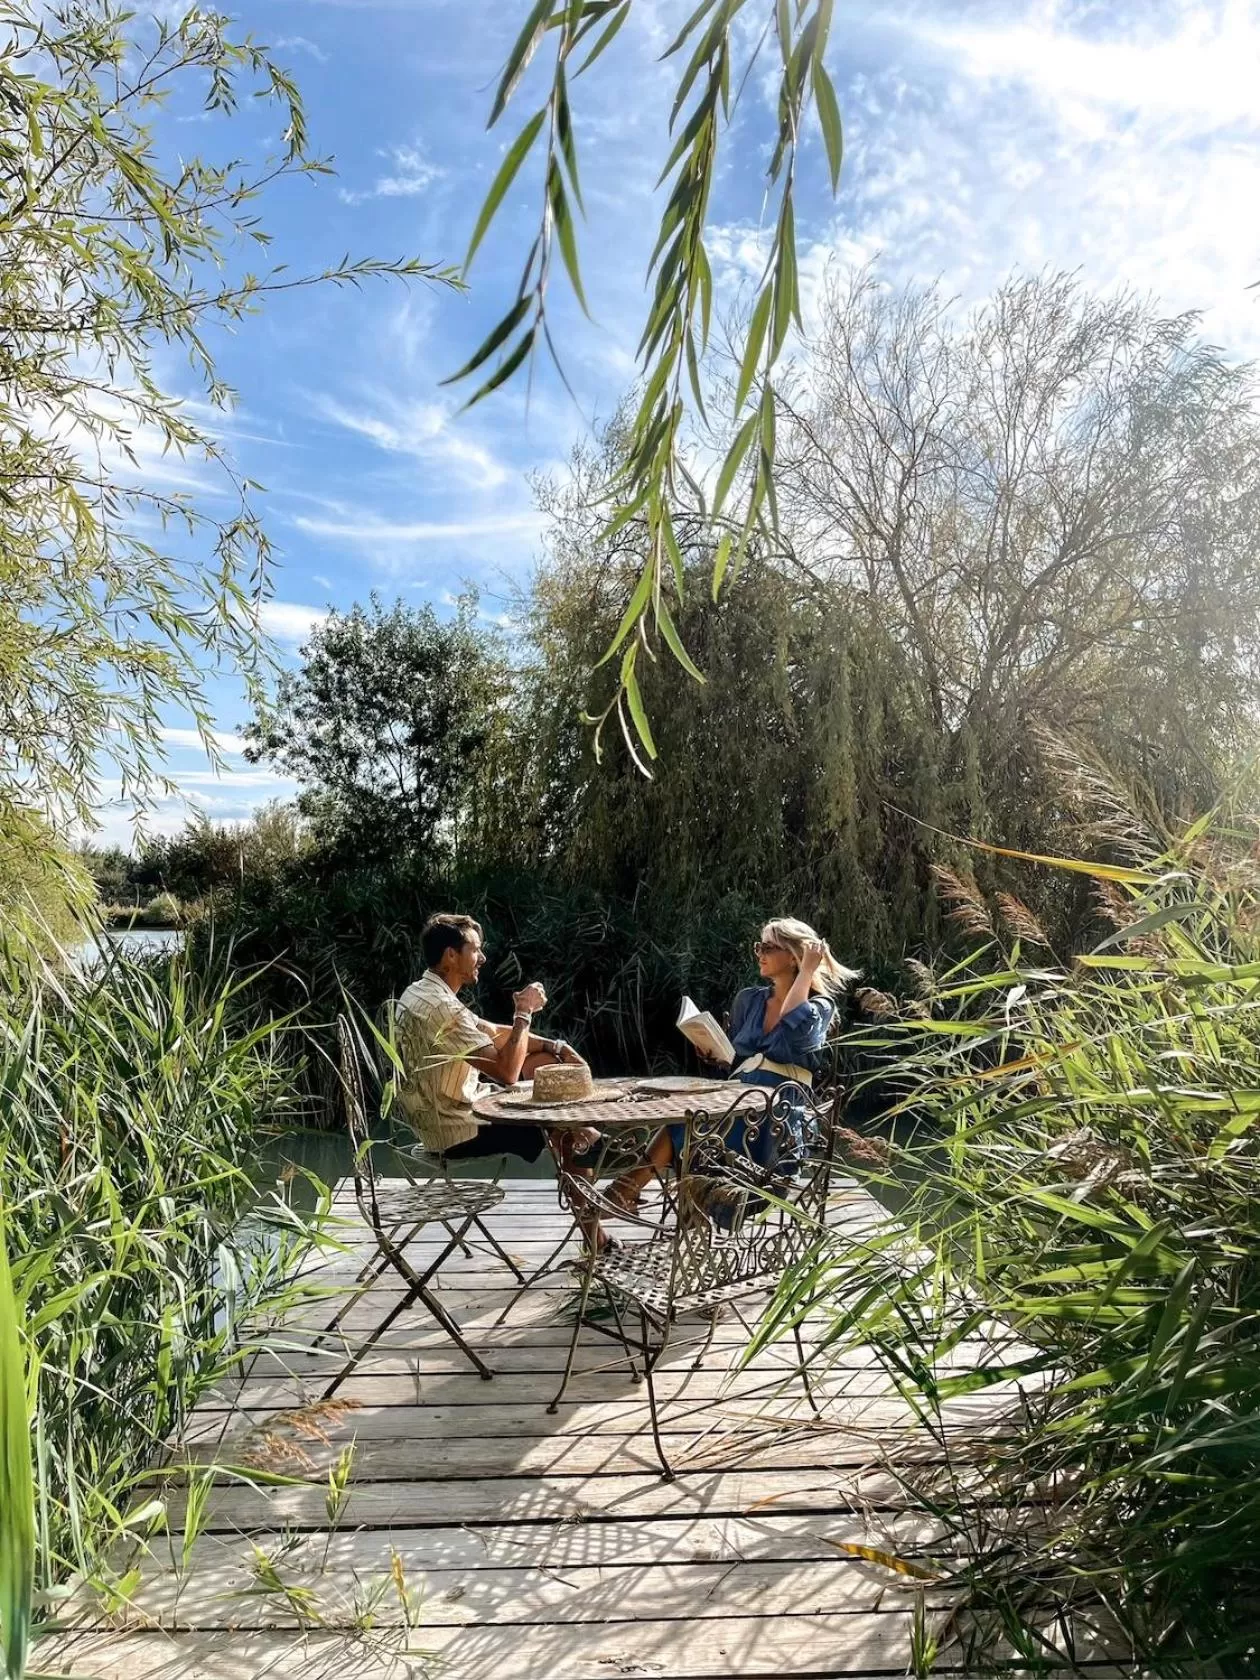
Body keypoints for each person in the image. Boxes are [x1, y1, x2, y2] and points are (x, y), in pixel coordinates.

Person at [605, 917, 857, 1214]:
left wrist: (806, 973)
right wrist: (716, 1056)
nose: (760, 953)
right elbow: (737, 1062)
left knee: (701, 1122)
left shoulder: (821, 1006)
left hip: (777, 1112)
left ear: (793, 956)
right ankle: (628, 1189)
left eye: (768, 947)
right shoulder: (749, 1000)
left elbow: (792, 1024)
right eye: (758, 946)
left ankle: (625, 1190)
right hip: (737, 1096)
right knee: (686, 1116)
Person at [394, 912, 611, 1248]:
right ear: (451, 955)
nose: (482, 957)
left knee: (545, 1061)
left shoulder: (422, 993)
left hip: (437, 1114)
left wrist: (557, 1046)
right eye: (476, 950)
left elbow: (491, 1031)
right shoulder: (440, 1009)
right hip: (453, 1128)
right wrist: (523, 1012)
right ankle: (596, 1228)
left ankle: (594, 1156)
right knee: (567, 1129)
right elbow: (508, 1070)